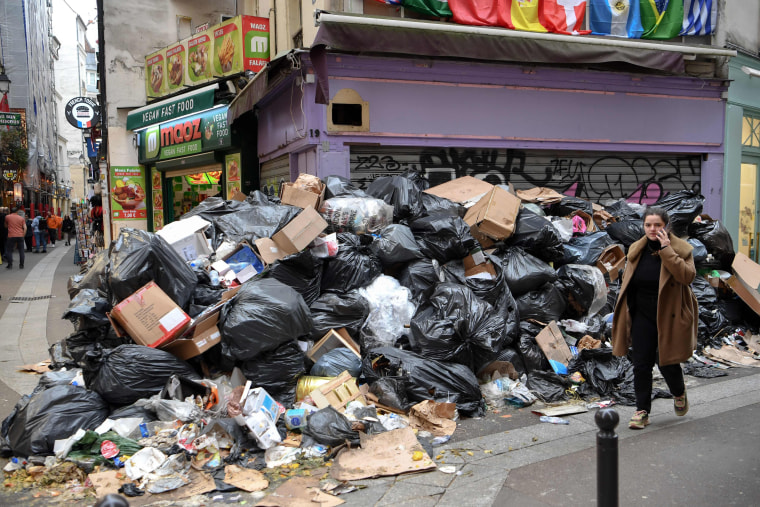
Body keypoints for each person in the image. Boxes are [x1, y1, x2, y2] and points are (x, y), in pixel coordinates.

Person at [611, 206, 698, 430]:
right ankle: (642, 411)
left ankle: (679, 392)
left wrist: (667, 250)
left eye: (657, 225)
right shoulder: (636, 250)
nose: (652, 229)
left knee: (667, 362)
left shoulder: (681, 249)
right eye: (648, 225)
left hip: (669, 314)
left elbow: (687, 277)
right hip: (642, 314)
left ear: (666, 227)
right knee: (641, 364)